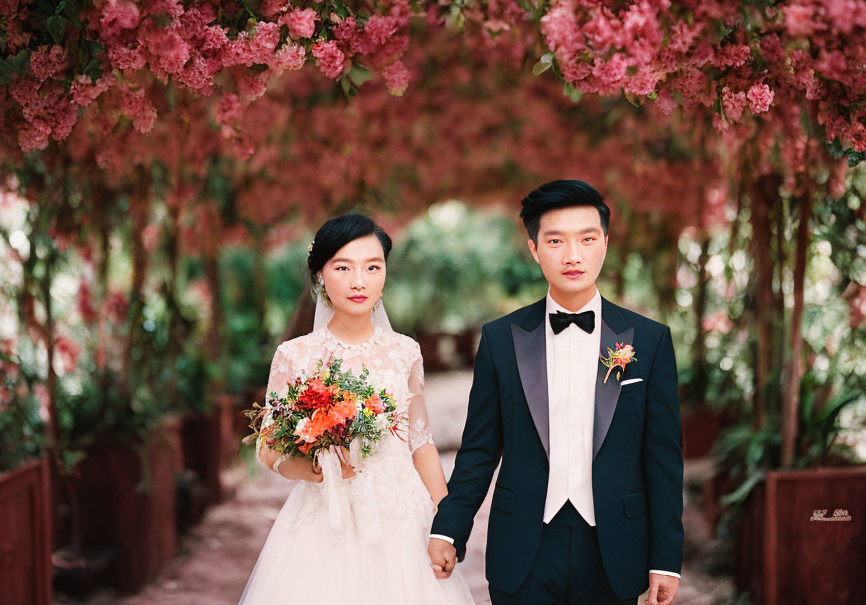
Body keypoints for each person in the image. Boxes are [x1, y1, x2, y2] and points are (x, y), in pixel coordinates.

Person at [427, 180, 684, 605]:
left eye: (586, 239)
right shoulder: (499, 340)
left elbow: (663, 459)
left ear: (604, 242)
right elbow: (478, 450)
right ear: (534, 249)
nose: (573, 255)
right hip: (523, 545)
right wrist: (449, 526)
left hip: (615, 549)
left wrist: (666, 558)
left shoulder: (650, 341)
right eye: (555, 241)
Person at [237, 213, 474, 605]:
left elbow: (421, 442)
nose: (359, 280)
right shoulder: (295, 356)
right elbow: (268, 445)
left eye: (372, 267)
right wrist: (314, 470)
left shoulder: (404, 352)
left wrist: (446, 523)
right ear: (320, 275)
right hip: (325, 521)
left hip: (401, 520)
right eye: (343, 267)